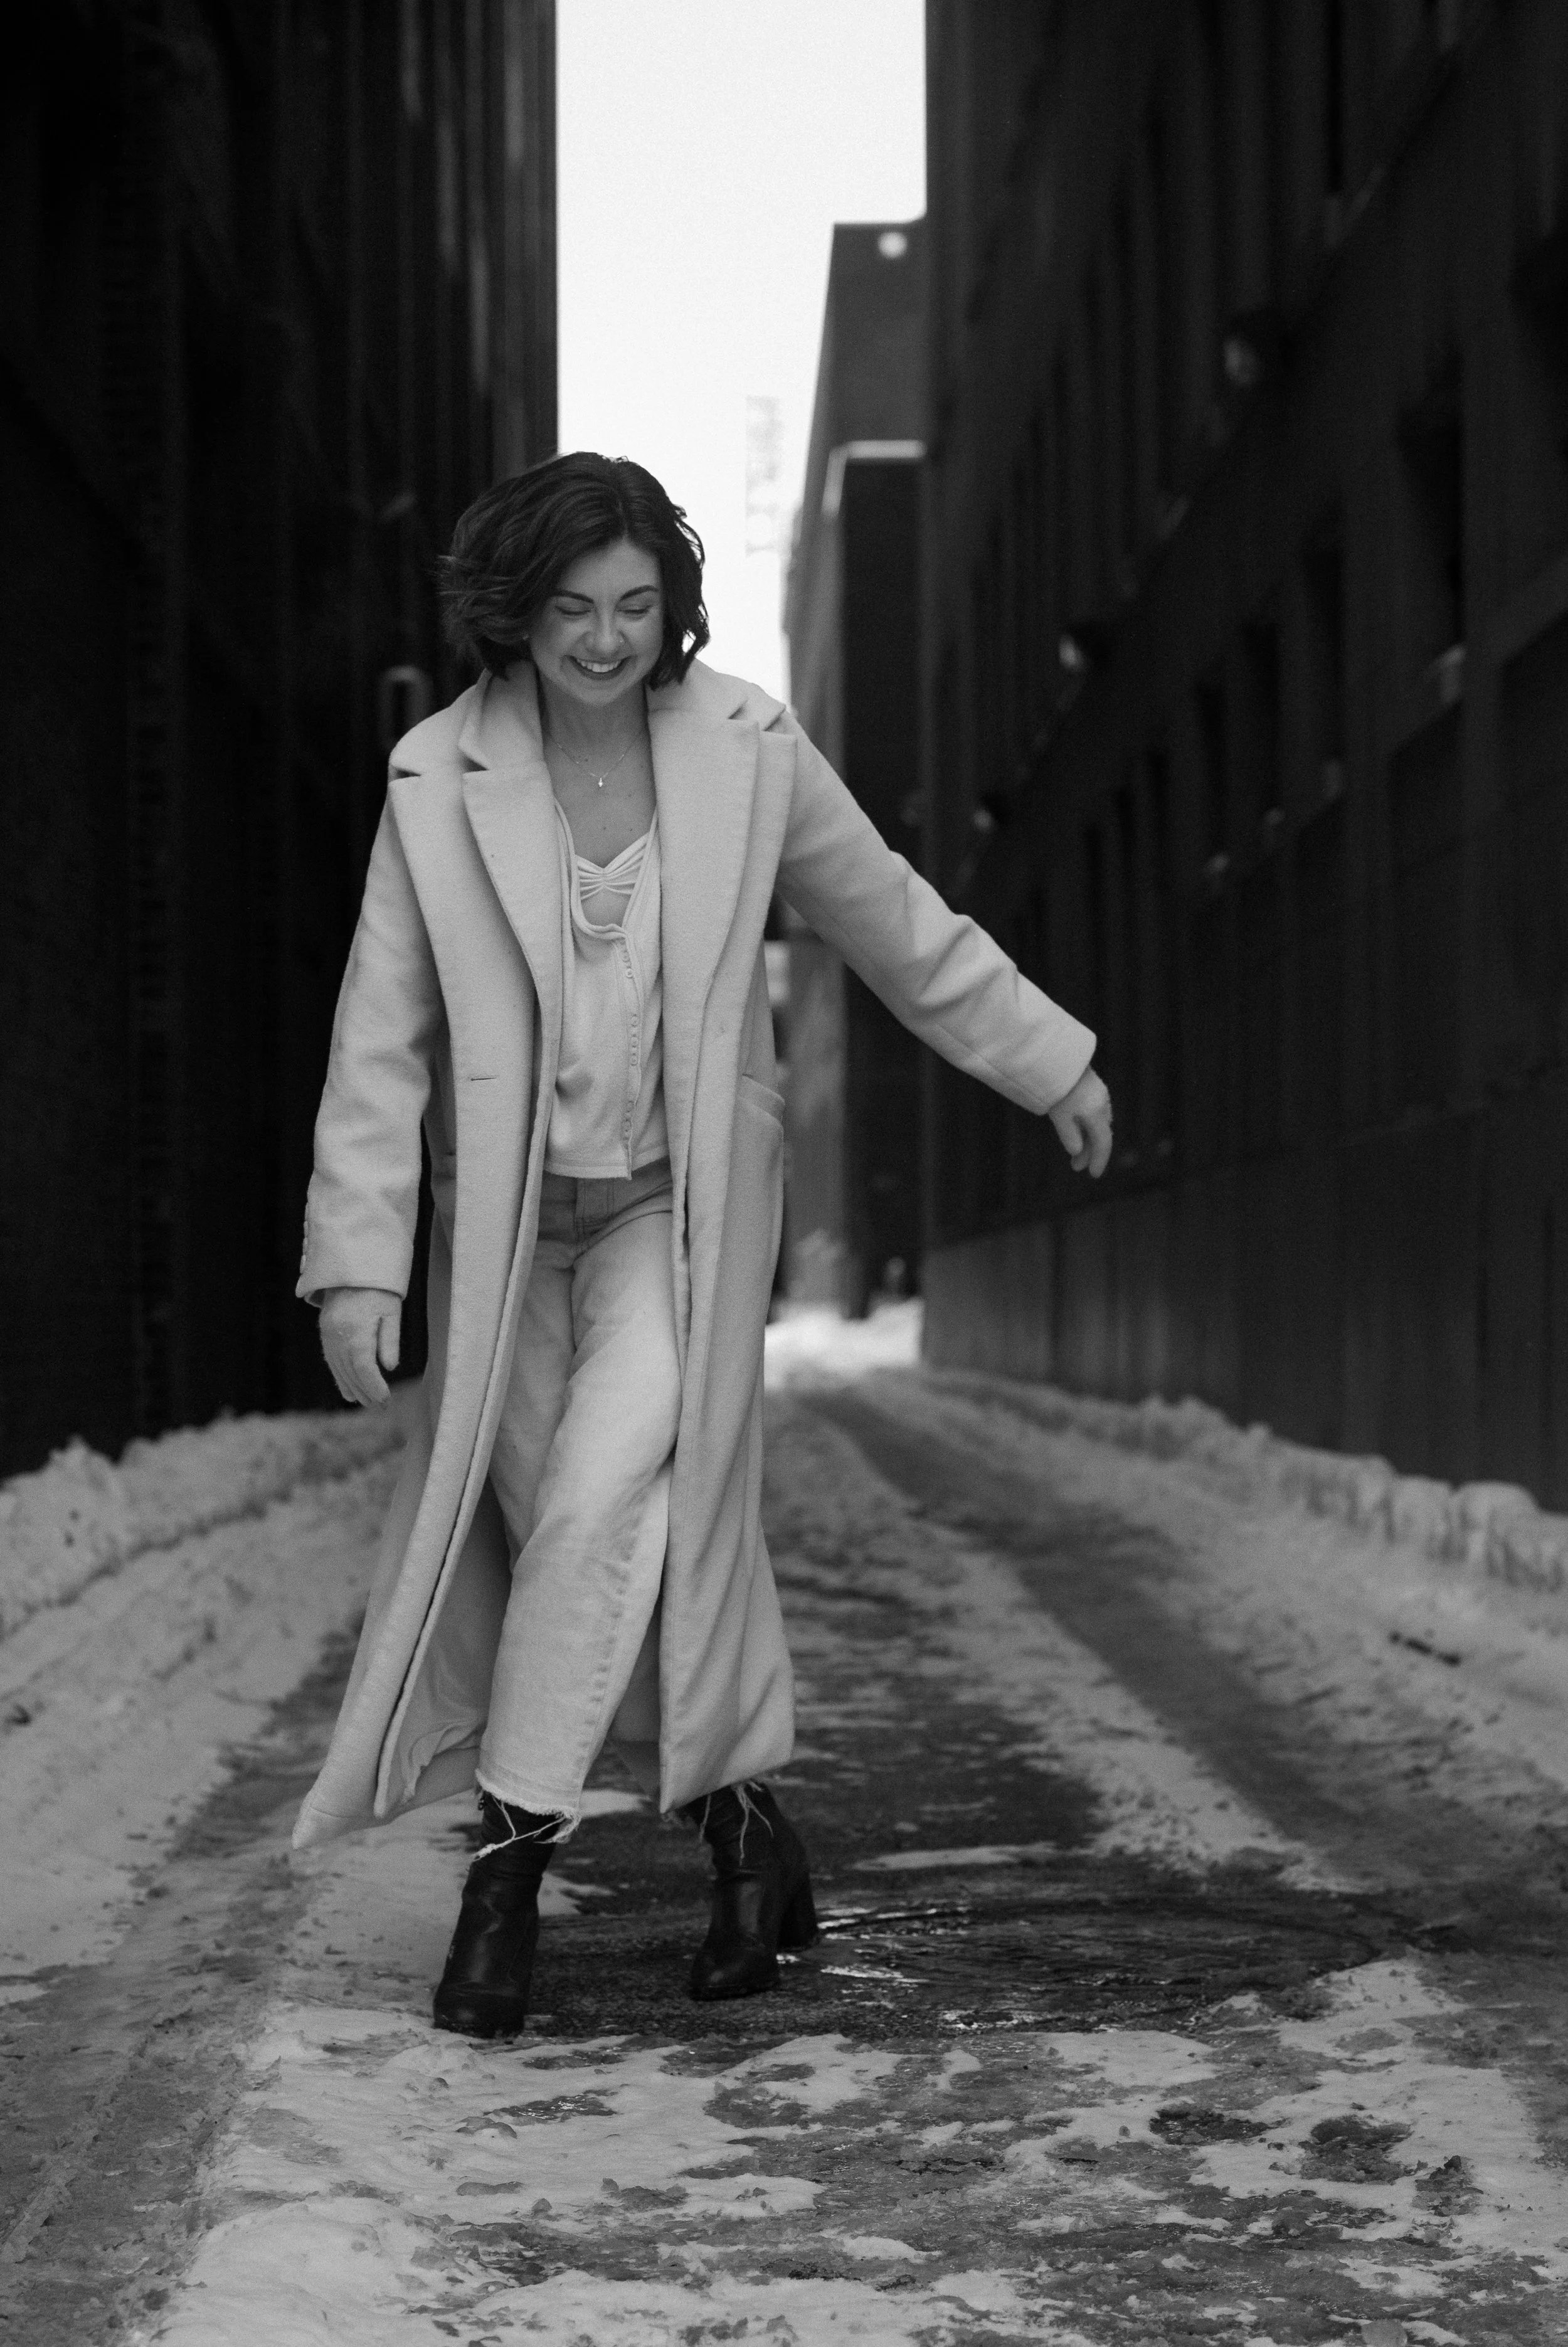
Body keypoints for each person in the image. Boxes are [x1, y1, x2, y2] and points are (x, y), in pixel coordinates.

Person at [294, 451, 1113, 2040]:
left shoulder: (745, 750)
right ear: (512, 615)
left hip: (675, 1221)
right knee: (585, 1555)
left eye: (635, 605)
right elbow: (378, 1034)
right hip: (514, 1237)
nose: (604, 638)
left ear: (670, 609)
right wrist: (358, 1258)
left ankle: (502, 1882)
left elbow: (890, 916)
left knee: (598, 1503)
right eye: (571, 609)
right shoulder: (434, 775)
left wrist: (1048, 1059)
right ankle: (748, 1842)